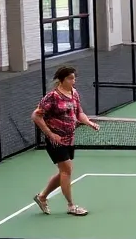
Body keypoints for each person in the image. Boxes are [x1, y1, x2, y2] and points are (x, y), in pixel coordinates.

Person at [31, 65, 99, 216]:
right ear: (61, 80)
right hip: (56, 141)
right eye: (70, 78)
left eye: (74, 78)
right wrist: (50, 134)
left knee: (63, 171)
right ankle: (71, 206)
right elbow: (36, 116)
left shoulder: (74, 93)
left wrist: (89, 123)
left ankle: (42, 197)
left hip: (69, 139)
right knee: (67, 171)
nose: (73, 81)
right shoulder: (52, 97)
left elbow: (79, 112)